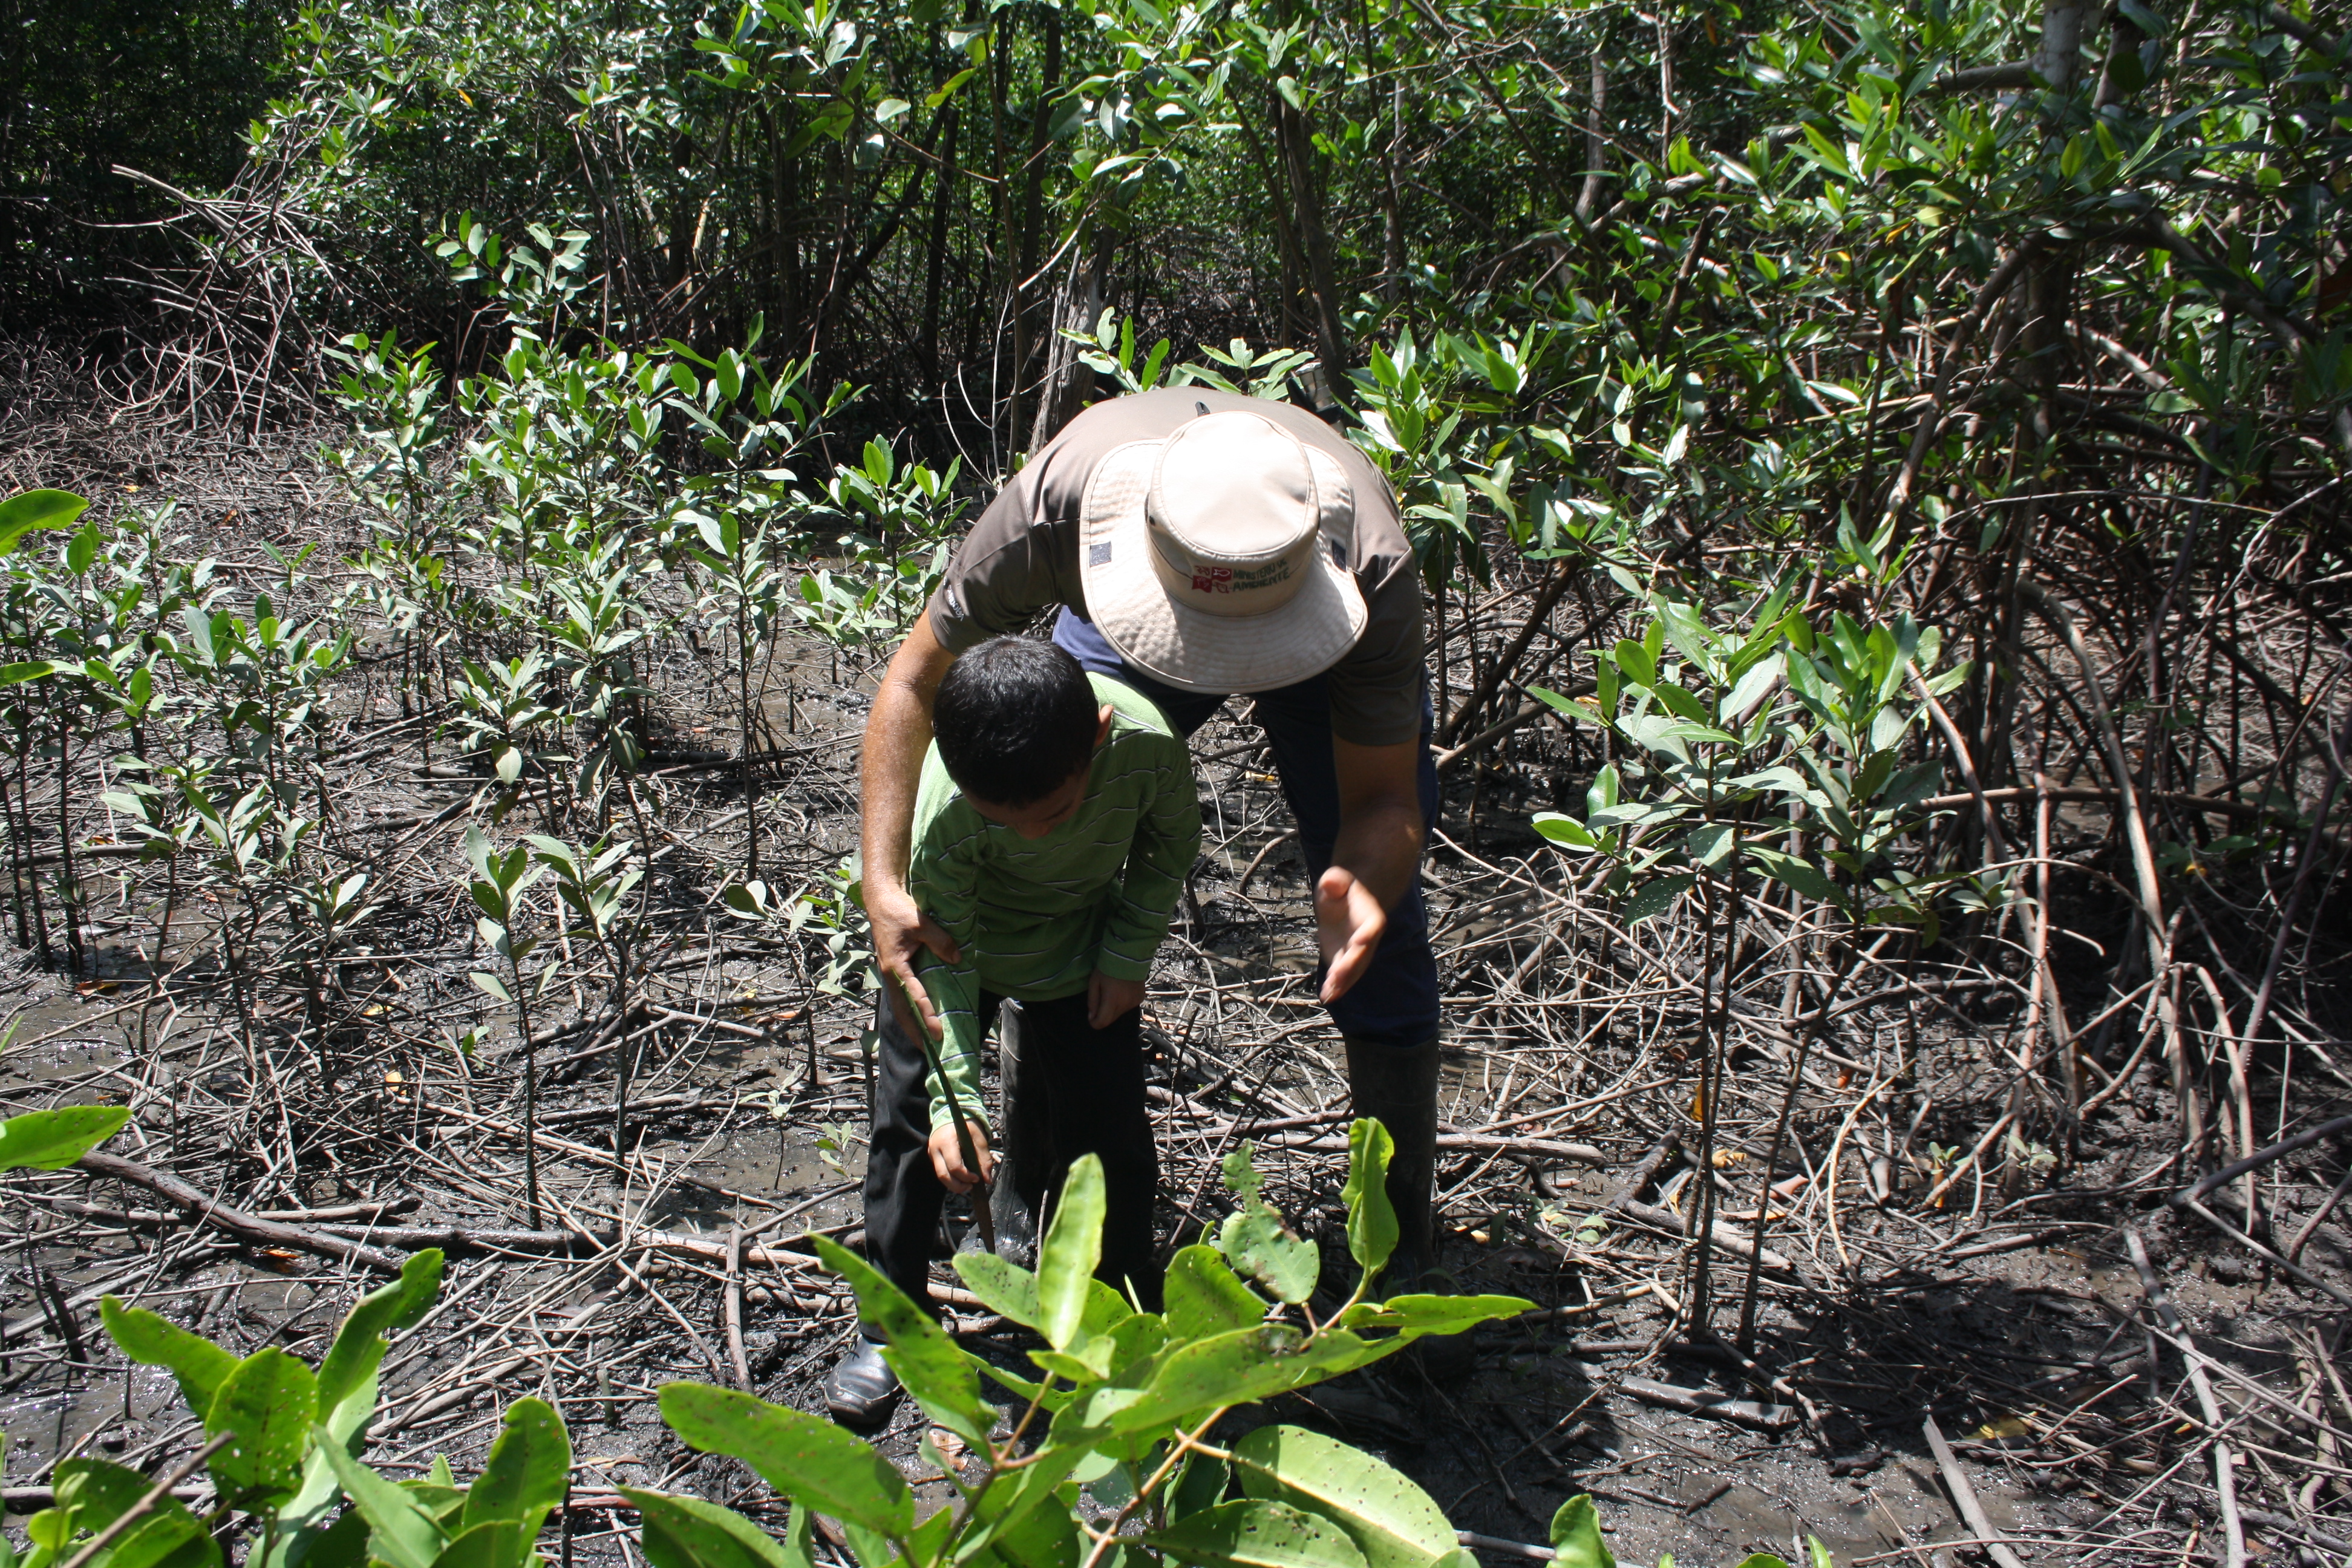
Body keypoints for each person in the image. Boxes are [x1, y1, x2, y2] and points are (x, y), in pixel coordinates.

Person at [838, 390, 1449, 1409]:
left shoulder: (1369, 568)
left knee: (1383, 947)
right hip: (1144, 609)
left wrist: (1367, 883)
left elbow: (1384, 802)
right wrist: (883, 883)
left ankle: (1396, 1256)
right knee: (1043, 792)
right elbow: (914, 681)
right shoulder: (1058, 509)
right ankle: (1032, 1193)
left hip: (1321, 627)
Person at [825, 635, 1200, 1423]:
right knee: (909, 1127)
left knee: (1112, 1141)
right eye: (1005, 822)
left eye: (1055, 815)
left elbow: (1169, 846)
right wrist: (954, 1105)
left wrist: (1127, 954)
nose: (1032, 835)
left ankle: (1120, 1324)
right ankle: (893, 1326)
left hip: (1080, 949)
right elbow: (946, 968)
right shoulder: (944, 812)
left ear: (1097, 736)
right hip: (954, 951)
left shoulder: (1145, 746)